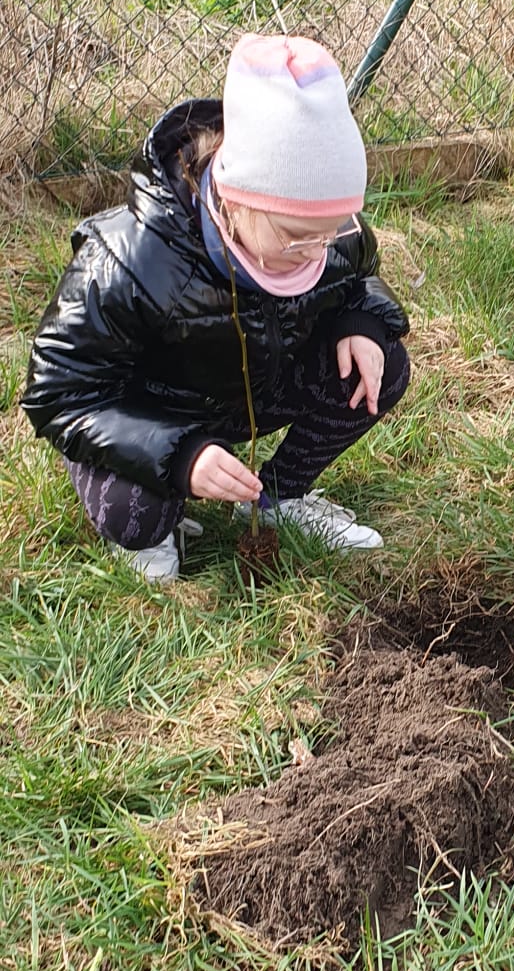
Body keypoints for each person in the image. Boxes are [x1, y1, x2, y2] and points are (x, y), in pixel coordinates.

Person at [23, 33, 410, 582]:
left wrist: (362, 323)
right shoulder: (131, 259)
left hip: (243, 394)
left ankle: (279, 497)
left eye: (333, 231)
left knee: (384, 366)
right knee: (136, 514)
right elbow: (58, 394)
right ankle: (153, 532)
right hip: (148, 412)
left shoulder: (328, 233)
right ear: (237, 198)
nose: (318, 251)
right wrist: (180, 455)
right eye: (298, 237)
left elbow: (357, 280)